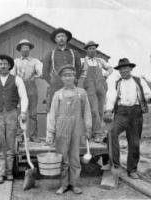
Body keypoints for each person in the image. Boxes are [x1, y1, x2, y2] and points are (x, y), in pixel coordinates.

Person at [46, 64, 92, 195]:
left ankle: (75, 184)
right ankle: (64, 184)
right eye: (65, 75)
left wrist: (88, 128)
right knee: (62, 157)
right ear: (61, 78)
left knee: (75, 157)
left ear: (74, 77)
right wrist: (51, 133)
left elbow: (87, 112)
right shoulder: (57, 94)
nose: (68, 78)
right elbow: (52, 114)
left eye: (70, 75)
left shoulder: (81, 93)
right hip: (61, 128)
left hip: (77, 127)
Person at [104, 58, 151, 179]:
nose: (123, 71)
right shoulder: (116, 82)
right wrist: (109, 110)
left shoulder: (138, 80)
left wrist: (150, 96)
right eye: (121, 69)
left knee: (134, 142)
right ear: (119, 71)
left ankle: (132, 169)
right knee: (111, 133)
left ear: (130, 68)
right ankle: (115, 165)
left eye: (126, 68)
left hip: (136, 112)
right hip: (121, 112)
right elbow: (111, 97)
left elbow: (147, 94)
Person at [0, 54, 28, 184]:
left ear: (10, 65)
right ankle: (0, 173)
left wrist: (23, 112)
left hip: (12, 113)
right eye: (0, 64)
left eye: (5, 63)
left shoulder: (17, 79)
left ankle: (9, 172)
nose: (3, 66)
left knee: (11, 143)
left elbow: (24, 97)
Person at [43, 28, 82, 132]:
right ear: (55, 40)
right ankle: (52, 134)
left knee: (72, 108)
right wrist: (52, 82)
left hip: (72, 85)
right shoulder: (50, 54)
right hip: (56, 86)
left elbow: (79, 68)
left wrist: (74, 80)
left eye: (63, 36)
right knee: (53, 109)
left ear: (67, 38)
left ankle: (72, 133)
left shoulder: (74, 53)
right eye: (58, 37)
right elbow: (44, 72)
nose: (61, 38)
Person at [11, 39, 43, 143]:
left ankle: (33, 135)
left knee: (33, 112)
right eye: (23, 47)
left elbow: (41, 72)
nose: (25, 49)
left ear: (30, 49)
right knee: (20, 111)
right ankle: (20, 134)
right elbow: (12, 75)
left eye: (27, 47)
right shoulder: (16, 61)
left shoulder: (35, 61)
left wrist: (35, 76)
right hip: (19, 87)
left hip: (31, 87)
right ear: (20, 49)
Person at [81, 41, 113, 142]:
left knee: (100, 110)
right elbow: (77, 71)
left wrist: (106, 75)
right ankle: (96, 133)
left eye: (94, 48)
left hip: (101, 86)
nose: (92, 50)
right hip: (89, 86)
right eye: (90, 48)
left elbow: (110, 68)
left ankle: (100, 133)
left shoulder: (100, 61)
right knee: (93, 110)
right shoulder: (82, 61)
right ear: (86, 50)